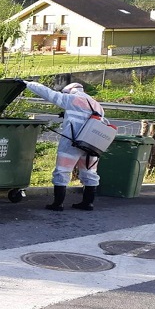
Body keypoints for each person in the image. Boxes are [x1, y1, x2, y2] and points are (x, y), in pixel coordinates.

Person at [23, 80, 105, 211]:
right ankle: (88, 203)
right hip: (92, 144)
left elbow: (49, 94)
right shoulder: (97, 105)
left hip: (72, 143)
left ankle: (58, 204)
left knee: (62, 171)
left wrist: (28, 84)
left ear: (69, 91)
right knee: (90, 173)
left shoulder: (72, 99)